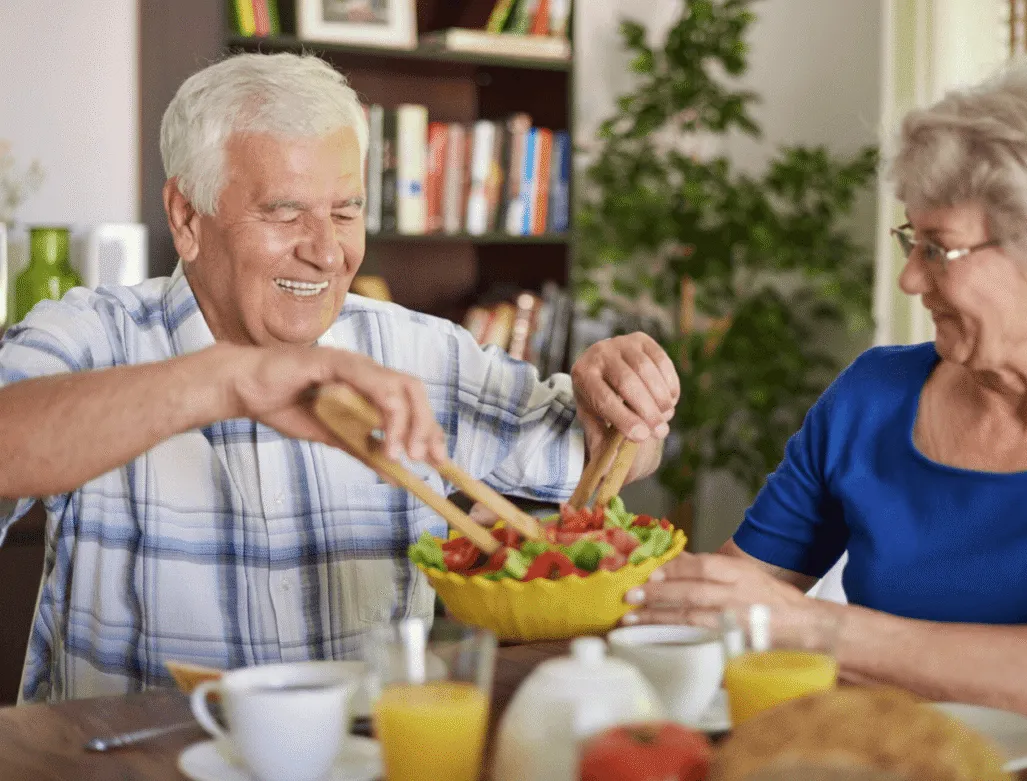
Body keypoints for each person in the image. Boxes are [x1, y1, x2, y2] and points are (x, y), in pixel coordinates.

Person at [0, 52, 679, 703]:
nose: (326, 251)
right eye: (284, 212)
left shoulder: (417, 351)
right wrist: (227, 380)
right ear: (186, 217)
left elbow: (617, 453)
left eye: (346, 211)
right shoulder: (93, 333)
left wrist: (623, 397)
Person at [625, 60, 1027, 733]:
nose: (908, 279)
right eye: (911, 240)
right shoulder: (872, 395)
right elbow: (725, 606)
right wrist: (609, 457)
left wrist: (814, 627)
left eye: (938, 249)